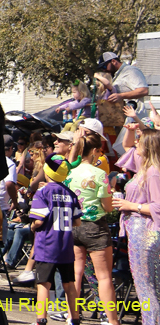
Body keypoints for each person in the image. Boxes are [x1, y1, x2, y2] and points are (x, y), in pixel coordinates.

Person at [66, 130, 120, 325]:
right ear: (95, 151)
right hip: (95, 226)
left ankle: (72, 316)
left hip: (73, 225)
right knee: (104, 277)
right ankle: (113, 320)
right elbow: (107, 207)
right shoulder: (99, 174)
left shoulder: (70, 172)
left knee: (76, 273)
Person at [113, 127, 159, 325]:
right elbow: (126, 145)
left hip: (145, 231)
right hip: (138, 229)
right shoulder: (145, 166)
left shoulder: (153, 172)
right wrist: (130, 125)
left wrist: (132, 206)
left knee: (146, 287)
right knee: (147, 286)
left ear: (148, 146)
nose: (136, 143)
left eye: (139, 140)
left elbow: (158, 206)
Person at [29, 154, 82, 325]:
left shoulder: (42, 192)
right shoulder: (71, 193)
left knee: (43, 283)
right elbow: (77, 222)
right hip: (66, 246)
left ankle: (41, 319)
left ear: (47, 172)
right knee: (69, 283)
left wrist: (32, 227)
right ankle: (74, 318)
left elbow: (38, 220)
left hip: (46, 246)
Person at [0, 136, 19, 269]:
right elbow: (9, 184)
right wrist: (15, 201)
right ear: (10, 149)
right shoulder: (9, 163)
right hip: (0, 206)